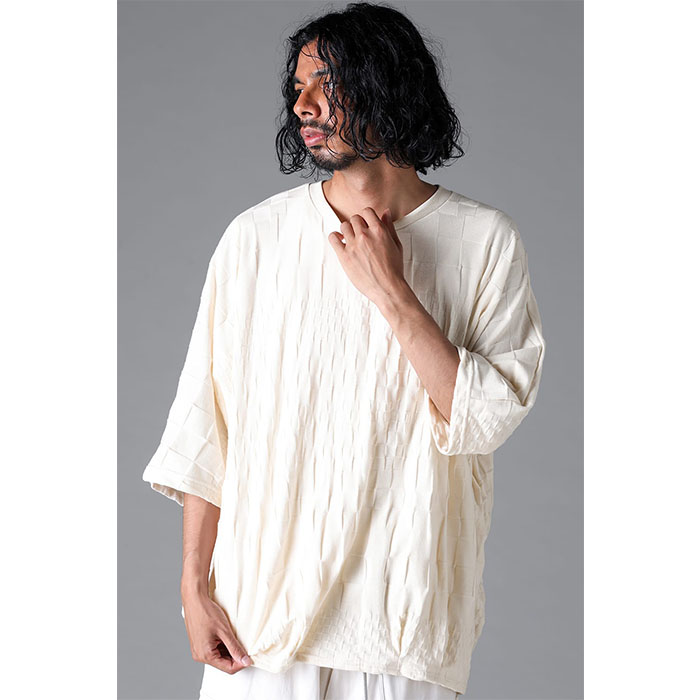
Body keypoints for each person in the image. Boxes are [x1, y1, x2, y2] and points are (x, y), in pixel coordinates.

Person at [142, 2, 546, 698]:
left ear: (390, 86)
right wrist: (192, 587)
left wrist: (394, 294)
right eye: (297, 86)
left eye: (327, 84)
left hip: (401, 621)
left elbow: (484, 420)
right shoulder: (256, 239)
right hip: (258, 622)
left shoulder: (484, 241)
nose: (303, 105)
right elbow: (207, 425)